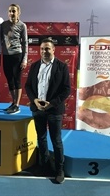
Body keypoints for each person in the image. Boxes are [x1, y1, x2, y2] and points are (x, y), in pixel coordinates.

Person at [25, 38, 71, 184]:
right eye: (42, 49)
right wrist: (35, 101)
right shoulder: (34, 66)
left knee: (56, 141)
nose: (44, 51)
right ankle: (44, 166)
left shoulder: (62, 67)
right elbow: (28, 86)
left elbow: (66, 90)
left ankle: (59, 170)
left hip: (54, 111)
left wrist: (51, 104)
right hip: (38, 109)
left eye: (47, 49)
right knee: (41, 139)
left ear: (53, 50)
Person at [1, 4, 28, 114]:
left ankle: (17, 105)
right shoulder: (4, 25)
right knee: (9, 80)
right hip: (6, 56)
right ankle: (13, 102)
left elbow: (25, 43)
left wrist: (25, 59)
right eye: (10, 11)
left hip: (17, 55)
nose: (11, 13)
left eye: (14, 11)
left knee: (17, 80)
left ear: (18, 13)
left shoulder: (22, 26)